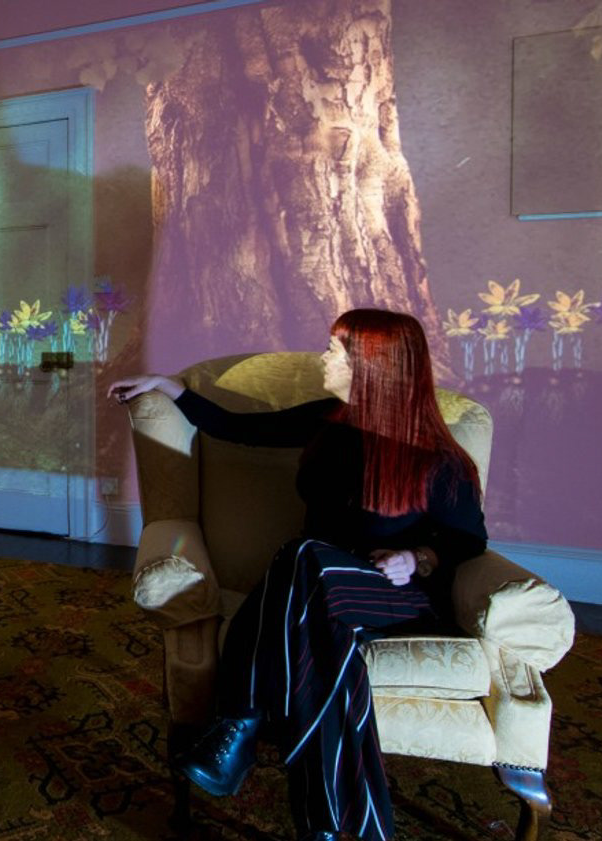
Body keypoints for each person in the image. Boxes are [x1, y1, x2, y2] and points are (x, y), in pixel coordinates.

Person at [108, 308, 485, 841]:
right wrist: (171, 387)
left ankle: (239, 718)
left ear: (372, 367)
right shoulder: (330, 421)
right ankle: (331, 825)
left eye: (336, 350)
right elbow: (240, 428)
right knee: (319, 625)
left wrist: (418, 558)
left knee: (303, 555)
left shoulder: (439, 459)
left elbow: (470, 541)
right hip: (315, 588)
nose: (325, 358)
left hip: (392, 594)